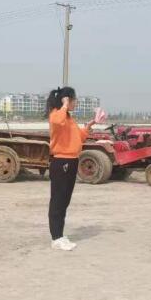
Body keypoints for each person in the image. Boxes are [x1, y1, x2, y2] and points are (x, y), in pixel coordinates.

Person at [47, 86, 95, 251]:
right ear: (66, 100)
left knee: (64, 201)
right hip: (62, 162)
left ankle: (60, 235)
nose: (75, 103)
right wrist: (65, 105)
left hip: (72, 161)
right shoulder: (57, 114)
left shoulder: (68, 118)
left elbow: (78, 138)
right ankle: (56, 238)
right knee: (58, 200)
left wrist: (88, 127)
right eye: (73, 100)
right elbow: (57, 121)